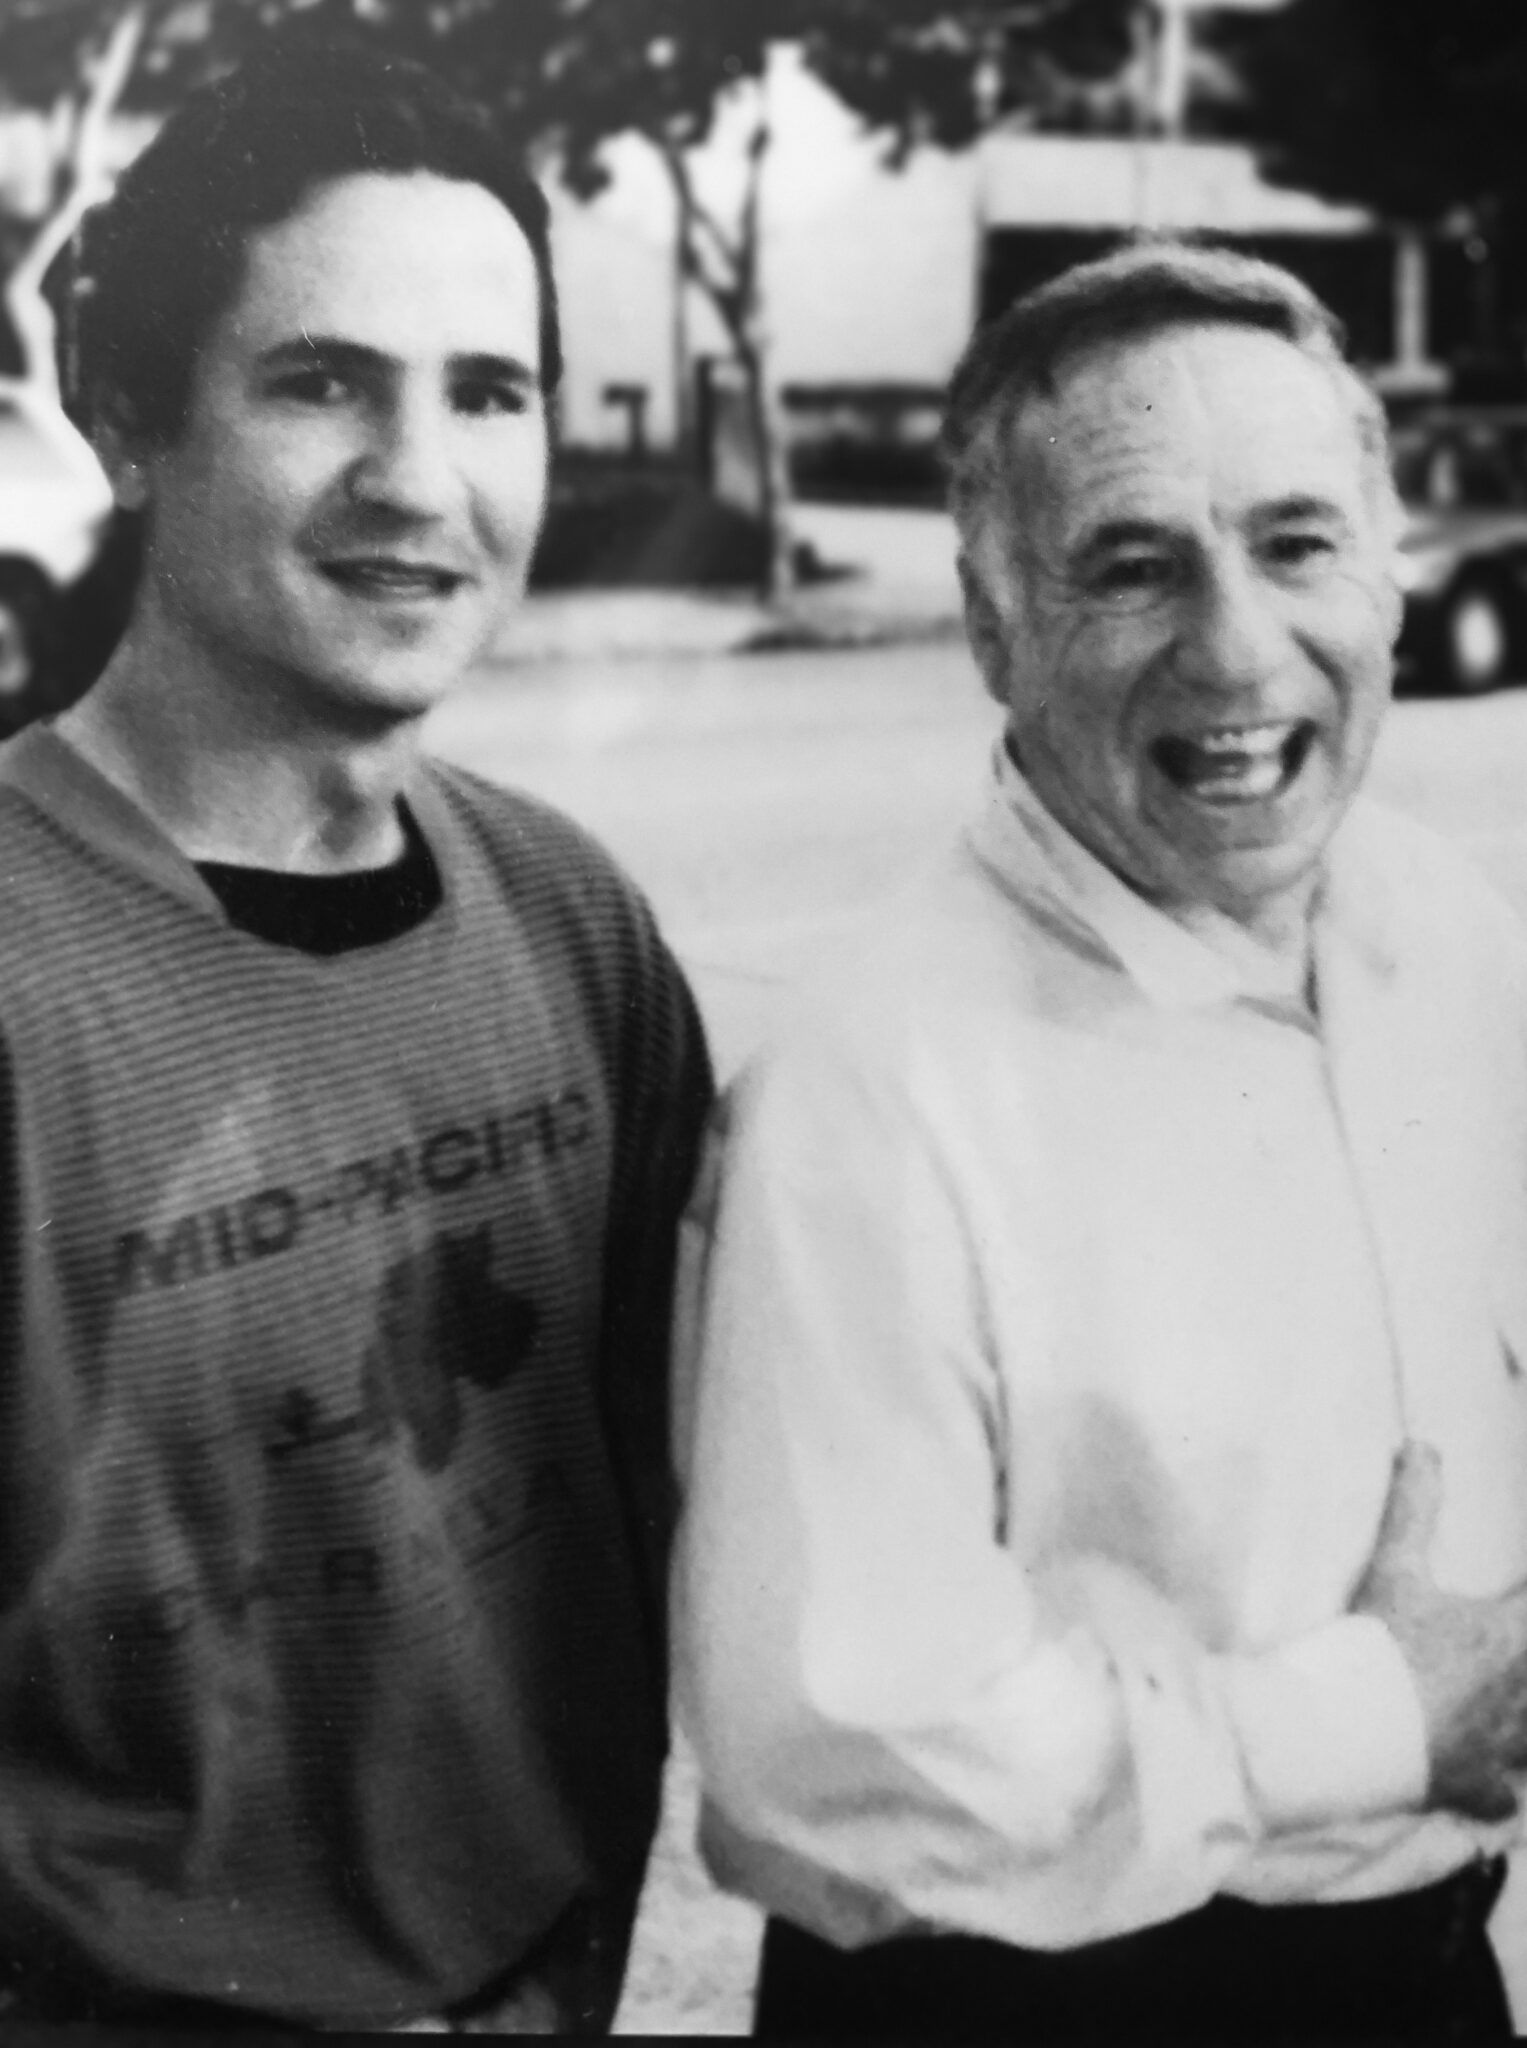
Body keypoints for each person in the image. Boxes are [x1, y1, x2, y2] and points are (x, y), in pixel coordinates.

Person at [674, 242, 1527, 2040]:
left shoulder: (1439, 930)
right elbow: (832, 1753)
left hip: (1428, 1975)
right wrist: (1375, 1717)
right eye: (1134, 567)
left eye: (1298, 543)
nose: (1239, 646)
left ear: (1388, 567)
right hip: (1032, 2004)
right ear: (995, 629)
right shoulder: (871, 1084)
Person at [0, 35, 712, 2033]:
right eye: (319, 383)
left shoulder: (570, 920)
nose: (419, 479)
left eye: (487, 392)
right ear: (128, 422)